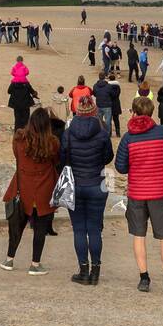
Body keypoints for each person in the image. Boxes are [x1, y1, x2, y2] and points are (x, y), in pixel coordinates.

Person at [115, 95, 163, 295]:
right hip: (159, 192)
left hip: (137, 192)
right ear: (151, 112)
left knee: (139, 235)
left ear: (134, 112)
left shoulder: (128, 137)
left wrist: (135, 165)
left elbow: (120, 167)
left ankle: (144, 278)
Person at [61, 95, 114, 284]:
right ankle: (95, 271)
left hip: (75, 184)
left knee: (79, 230)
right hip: (96, 183)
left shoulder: (68, 132)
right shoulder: (102, 131)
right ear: (94, 111)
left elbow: (63, 158)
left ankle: (83, 270)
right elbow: (109, 157)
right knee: (94, 229)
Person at [1, 107, 60, 274]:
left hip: (23, 186)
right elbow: (56, 161)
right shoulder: (52, 142)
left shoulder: (19, 139)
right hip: (44, 187)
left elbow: (17, 157)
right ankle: (35, 264)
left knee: (16, 225)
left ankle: (9, 259)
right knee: (40, 228)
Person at [7, 57, 37, 131]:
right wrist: (35, 94)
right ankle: (25, 132)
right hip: (25, 104)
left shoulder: (13, 83)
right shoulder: (26, 83)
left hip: (16, 104)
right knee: (26, 119)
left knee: (17, 120)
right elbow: (32, 91)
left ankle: (17, 132)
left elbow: (9, 91)